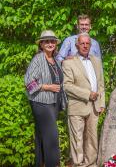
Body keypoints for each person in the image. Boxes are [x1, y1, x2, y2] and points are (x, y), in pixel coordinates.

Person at [24, 30, 67, 167]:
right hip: (41, 103)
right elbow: (29, 82)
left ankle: (41, 164)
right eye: (46, 41)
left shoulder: (55, 60)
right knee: (52, 137)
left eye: (52, 41)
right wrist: (47, 87)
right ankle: (53, 164)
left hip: (53, 103)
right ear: (41, 44)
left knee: (42, 136)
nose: (50, 43)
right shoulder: (38, 59)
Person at [62, 33, 105, 166]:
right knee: (77, 141)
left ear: (90, 45)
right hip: (77, 106)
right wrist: (87, 94)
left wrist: (102, 102)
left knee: (92, 140)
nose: (85, 46)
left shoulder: (96, 61)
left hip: (95, 107)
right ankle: (78, 164)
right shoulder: (68, 62)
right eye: (82, 43)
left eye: (87, 43)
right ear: (76, 45)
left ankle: (91, 164)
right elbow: (67, 86)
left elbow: (101, 83)